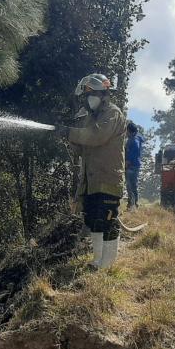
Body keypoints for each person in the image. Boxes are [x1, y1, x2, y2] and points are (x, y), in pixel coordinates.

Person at [54, 74, 126, 269]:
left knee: (107, 220)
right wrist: (68, 136)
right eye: (86, 96)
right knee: (93, 221)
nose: (88, 99)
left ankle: (108, 266)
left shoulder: (113, 113)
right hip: (91, 182)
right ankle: (97, 261)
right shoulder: (89, 118)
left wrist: (70, 132)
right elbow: (81, 149)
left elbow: (97, 136)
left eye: (91, 94)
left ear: (103, 94)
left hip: (108, 179)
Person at [125, 121, 145, 211]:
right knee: (133, 185)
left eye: (127, 131)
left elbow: (135, 150)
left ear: (130, 131)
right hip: (134, 165)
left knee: (131, 186)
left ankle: (132, 205)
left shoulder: (134, 139)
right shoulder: (136, 138)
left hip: (131, 166)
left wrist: (128, 161)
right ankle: (133, 204)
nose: (126, 133)